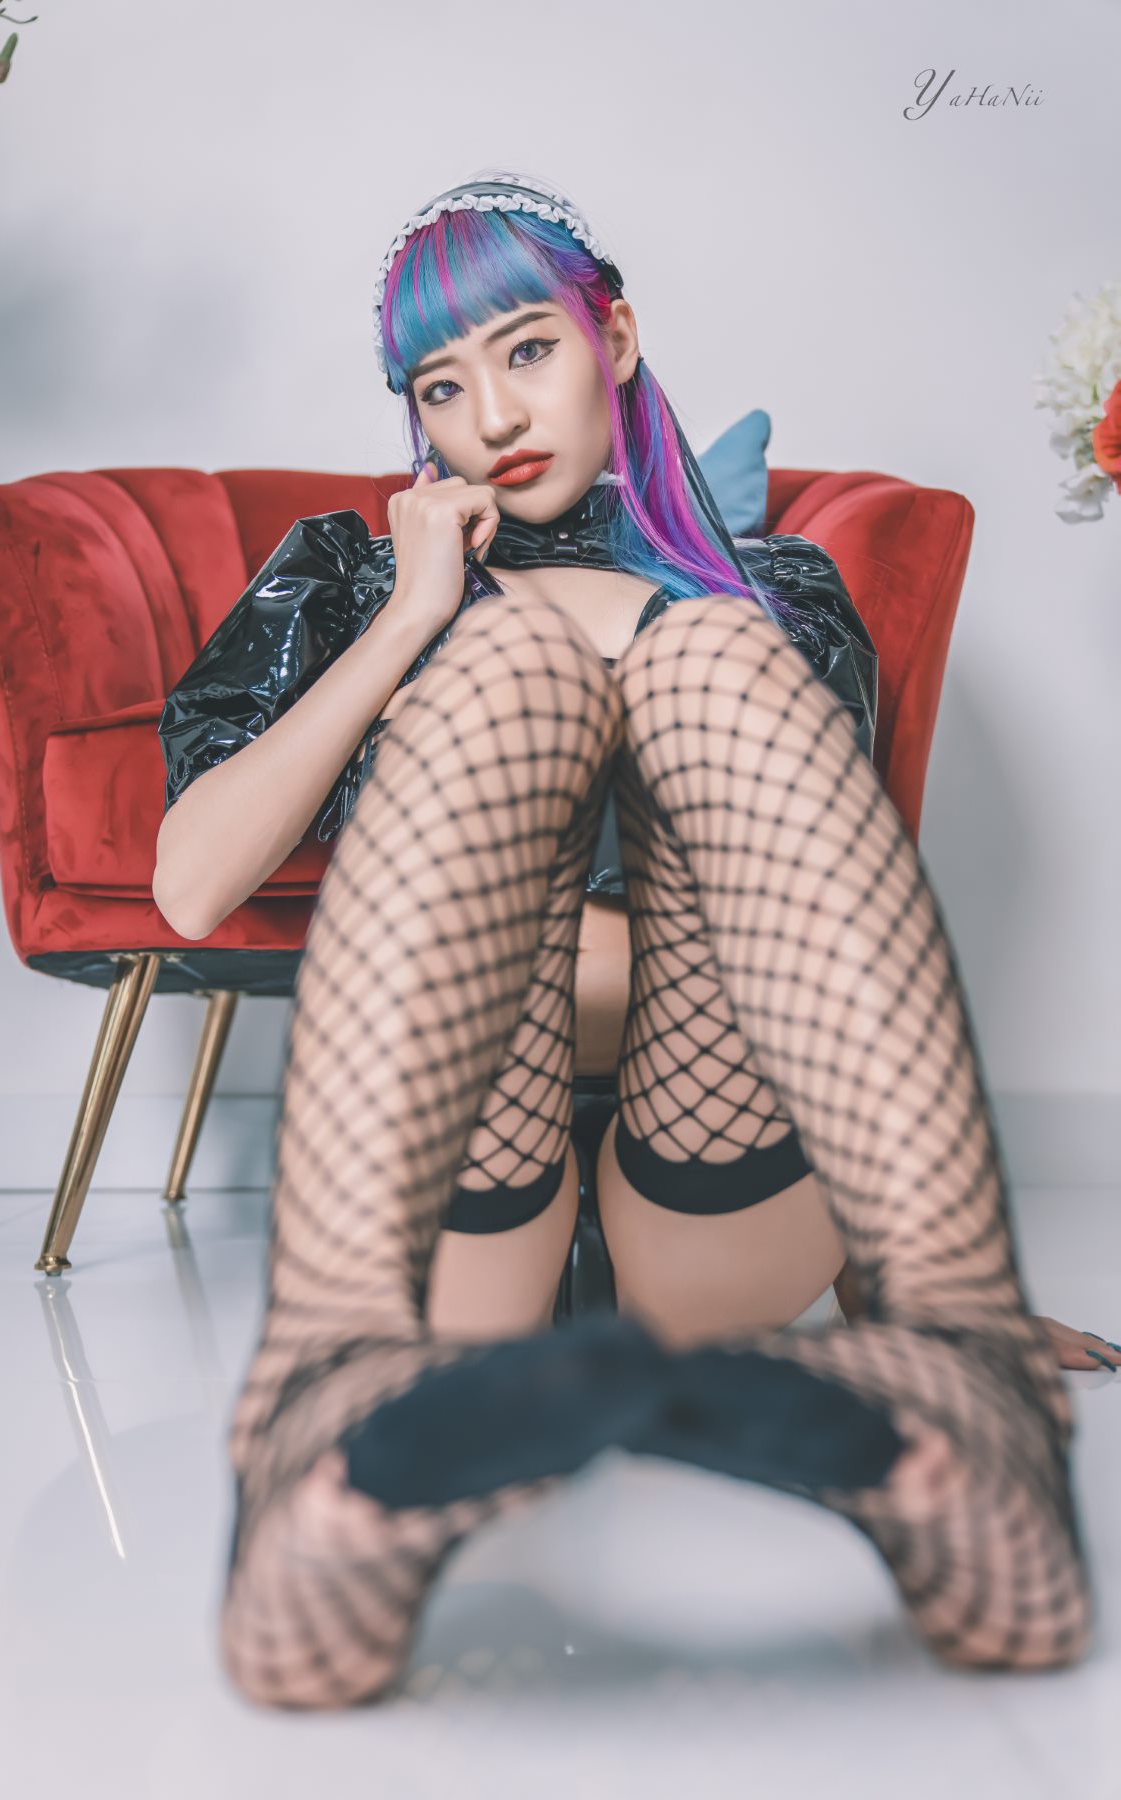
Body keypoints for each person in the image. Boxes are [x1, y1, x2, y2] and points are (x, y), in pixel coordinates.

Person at [154, 170, 1108, 1710]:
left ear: (614, 339)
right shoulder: (350, 575)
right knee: (508, 670)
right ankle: (326, 1399)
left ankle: (961, 1353)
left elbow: (813, 949)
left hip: (713, 1205)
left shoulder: (773, 592)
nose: (489, 416)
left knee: (712, 653)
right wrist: (412, 623)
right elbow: (193, 888)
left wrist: (882, 1281)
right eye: (440, 386)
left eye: (527, 350)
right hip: (460, 1232)